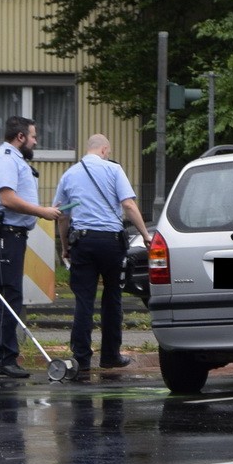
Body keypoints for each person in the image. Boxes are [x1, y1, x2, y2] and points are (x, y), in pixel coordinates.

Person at [53, 134, 150, 373]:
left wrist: (65, 246)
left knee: (84, 299)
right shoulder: (114, 170)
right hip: (110, 243)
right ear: (105, 149)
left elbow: (62, 215)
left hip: (82, 242)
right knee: (112, 296)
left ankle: (81, 359)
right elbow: (128, 205)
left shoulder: (69, 174)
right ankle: (110, 356)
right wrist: (146, 235)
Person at [0, 116, 63, 378]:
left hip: (11, 233)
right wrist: (42, 212)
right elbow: (8, 198)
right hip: (4, 232)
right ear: (21, 137)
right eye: (34, 136)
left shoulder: (13, 159)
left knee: (3, 295)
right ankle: (5, 358)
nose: (36, 141)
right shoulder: (6, 158)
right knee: (9, 294)